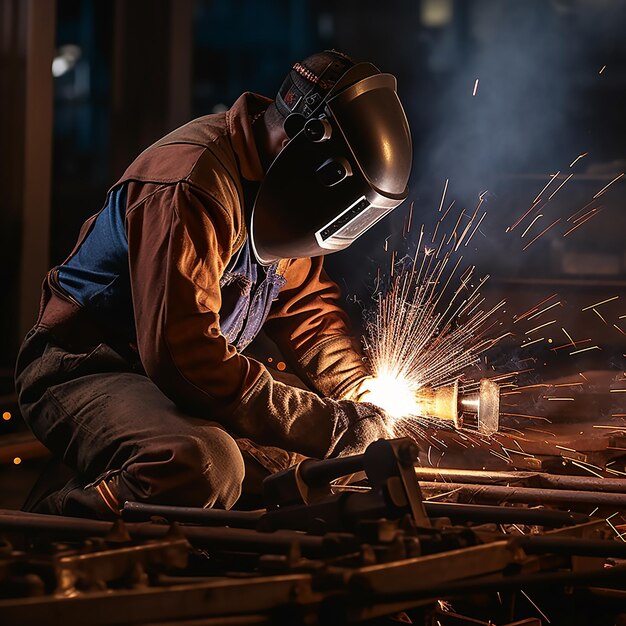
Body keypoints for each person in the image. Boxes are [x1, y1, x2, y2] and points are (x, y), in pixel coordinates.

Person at [15, 50, 413, 519]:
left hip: (171, 381)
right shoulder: (192, 184)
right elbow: (184, 357)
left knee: (312, 469)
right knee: (204, 464)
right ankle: (44, 529)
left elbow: (309, 316)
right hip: (87, 366)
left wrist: (358, 394)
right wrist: (329, 425)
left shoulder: (278, 192)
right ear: (306, 147)